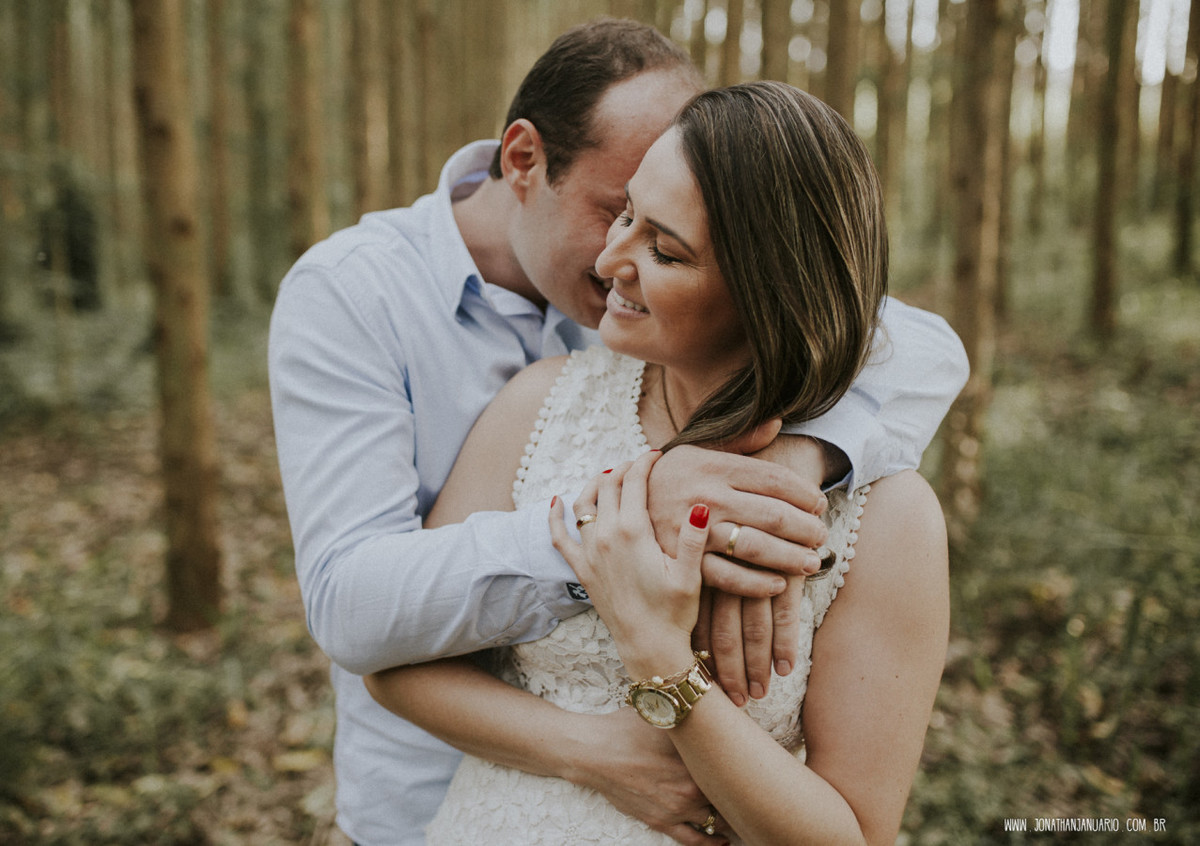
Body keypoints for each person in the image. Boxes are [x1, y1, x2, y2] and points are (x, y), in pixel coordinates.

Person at [268, 19, 966, 846]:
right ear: (523, 160)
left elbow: (917, 341)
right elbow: (354, 611)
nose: (610, 259)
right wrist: (620, 527)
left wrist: (791, 462)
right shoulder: (357, 299)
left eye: (663, 242)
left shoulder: (854, 496)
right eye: (616, 209)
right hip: (421, 805)